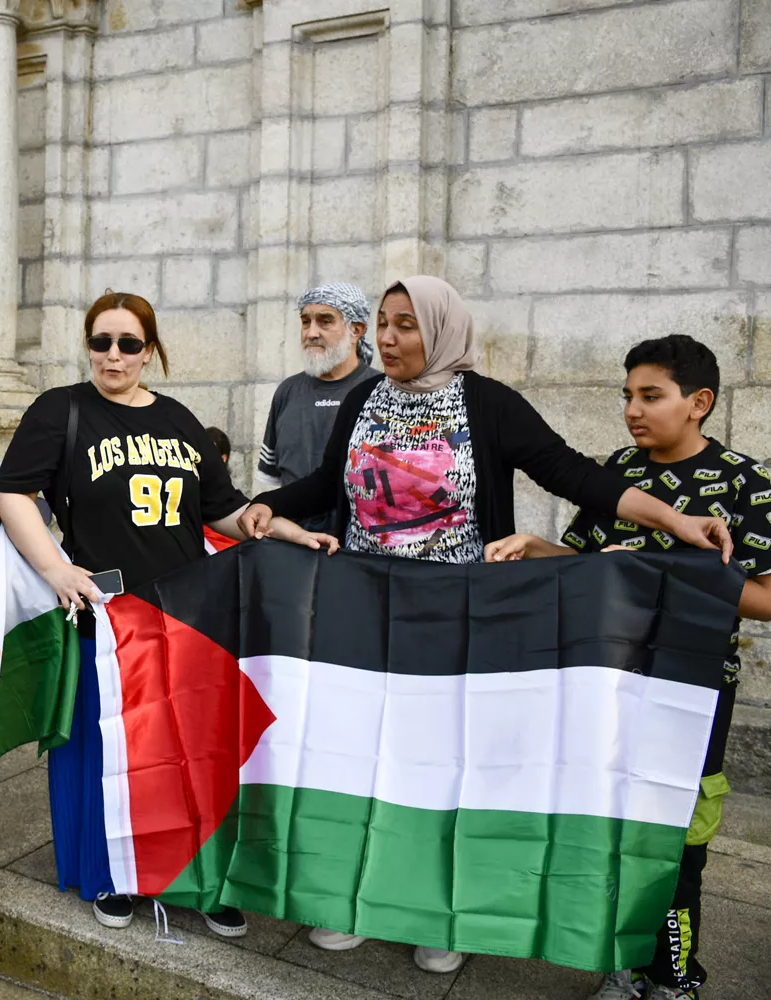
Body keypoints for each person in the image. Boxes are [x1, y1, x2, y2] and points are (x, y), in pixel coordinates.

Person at [238, 277, 734, 975]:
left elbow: (574, 476)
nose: (387, 338)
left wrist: (677, 520)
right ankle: (350, 897)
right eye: (381, 323)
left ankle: (442, 914)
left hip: (460, 621)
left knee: (446, 769)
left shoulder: (488, 404)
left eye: (406, 325)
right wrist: (269, 503)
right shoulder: (362, 398)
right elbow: (328, 485)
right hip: (365, 616)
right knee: (361, 759)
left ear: (441, 329)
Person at [0, 291, 324, 938]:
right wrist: (56, 568)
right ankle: (113, 873)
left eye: (128, 343)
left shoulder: (176, 417)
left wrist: (276, 526)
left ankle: (203, 879)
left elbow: (221, 508)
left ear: (150, 349)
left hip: (187, 613)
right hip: (108, 615)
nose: (113, 355)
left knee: (194, 751)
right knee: (110, 748)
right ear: (87, 344)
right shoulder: (59, 409)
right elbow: (13, 492)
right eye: (101, 341)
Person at [486, 335, 771, 1000]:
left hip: (695, 692)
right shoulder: (619, 476)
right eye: (626, 396)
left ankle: (673, 976)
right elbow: (590, 564)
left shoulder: (745, 483)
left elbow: (765, 598)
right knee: (614, 826)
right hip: (610, 685)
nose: (632, 411)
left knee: (680, 839)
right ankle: (621, 958)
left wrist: (671, 576)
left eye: (650, 396)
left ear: (698, 403)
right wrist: (534, 547)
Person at [254, 282, 382, 531]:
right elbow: (271, 481)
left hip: (357, 549)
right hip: (294, 547)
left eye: (325, 321)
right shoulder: (287, 392)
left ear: (356, 330)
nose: (311, 333)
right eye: (305, 321)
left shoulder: (380, 390)